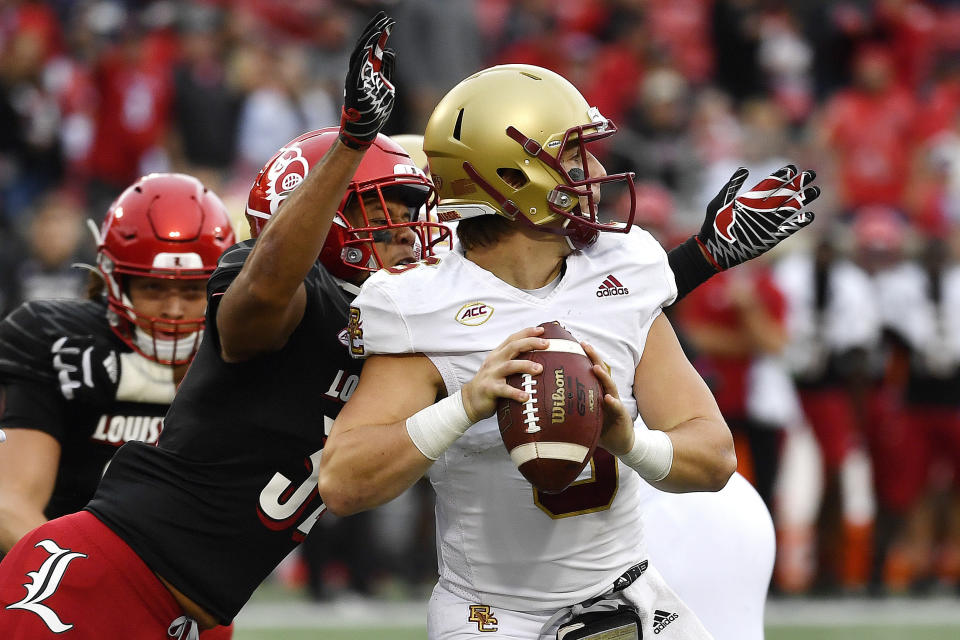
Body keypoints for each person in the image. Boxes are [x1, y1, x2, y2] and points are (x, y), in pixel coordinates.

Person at [318, 63, 818, 639]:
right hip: (492, 615)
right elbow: (343, 484)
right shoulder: (422, 303)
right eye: (575, 157)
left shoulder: (625, 269)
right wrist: (465, 406)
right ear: (509, 177)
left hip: (627, 595)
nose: (599, 171)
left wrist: (631, 441)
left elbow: (713, 459)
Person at [0, 13, 447, 638]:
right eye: (380, 211)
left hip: (200, 616)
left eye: (409, 214)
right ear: (319, 212)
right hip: (103, 579)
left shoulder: (396, 324)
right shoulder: (280, 285)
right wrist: (351, 143)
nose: (403, 231)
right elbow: (264, 296)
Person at [0, 173, 237, 638]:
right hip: (43, 573)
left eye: (190, 290)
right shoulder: (59, 342)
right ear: (114, 281)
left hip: (176, 583)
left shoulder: (239, 355)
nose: (171, 310)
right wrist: (102, 586)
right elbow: (11, 504)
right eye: (153, 288)